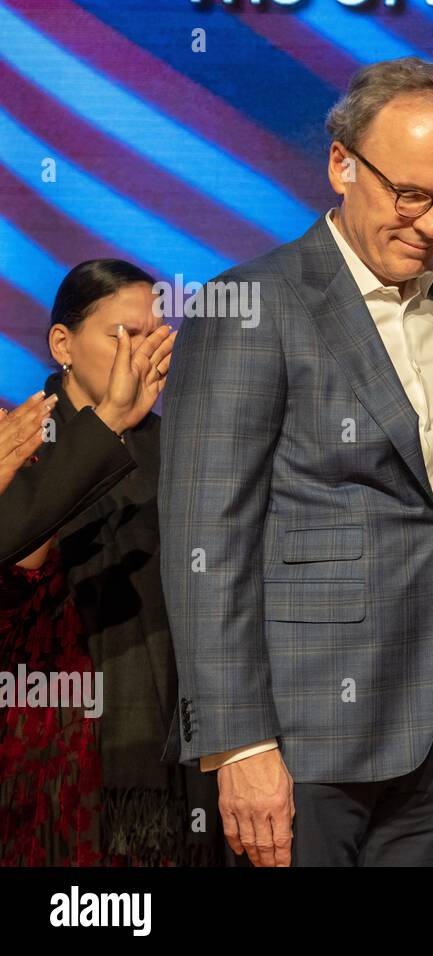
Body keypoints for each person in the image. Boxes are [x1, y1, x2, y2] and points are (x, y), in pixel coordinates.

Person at [158, 57, 433, 867]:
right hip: (302, 743)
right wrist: (238, 747)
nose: (431, 221)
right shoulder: (255, 306)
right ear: (341, 163)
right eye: (410, 193)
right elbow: (207, 541)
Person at [2, 258, 220, 866]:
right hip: (54, 746)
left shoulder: (178, 445)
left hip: (175, 730)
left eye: (152, 333)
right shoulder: (19, 442)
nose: (140, 351)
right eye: (122, 334)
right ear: (62, 343)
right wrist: (108, 424)